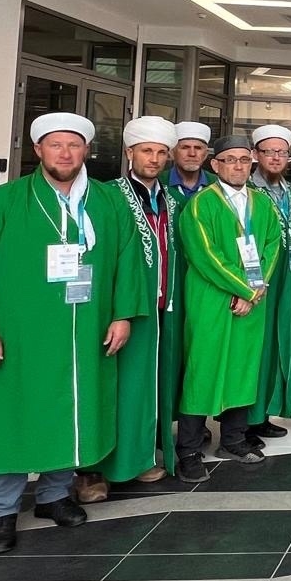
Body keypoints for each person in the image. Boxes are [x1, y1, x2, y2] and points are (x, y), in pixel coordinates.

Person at [0, 113, 144, 555]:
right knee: (8, 414)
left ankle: (54, 495)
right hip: (20, 333)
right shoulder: (4, 201)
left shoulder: (107, 202)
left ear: (86, 150)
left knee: (73, 409)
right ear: (38, 150)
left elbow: (128, 259)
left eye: (74, 145)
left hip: (86, 329)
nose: (65, 154)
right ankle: (1, 511)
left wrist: (123, 314)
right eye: (55, 145)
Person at [176, 135, 283, 481]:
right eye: (230, 160)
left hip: (252, 301)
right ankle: (189, 450)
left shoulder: (262, 203)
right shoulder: (200, 204)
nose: (238, 166)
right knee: (202, 370)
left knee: (242, 368)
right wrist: (245, 289)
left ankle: (234, 440)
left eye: (244, 159)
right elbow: (205, 255)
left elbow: (273, 245)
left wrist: (255, 290)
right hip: (212, 300)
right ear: (215, 164)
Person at [91, 116, 183, 500]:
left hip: (162, 310)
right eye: (147, 151)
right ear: (130, 152)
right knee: (112, 388)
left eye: (162, 152)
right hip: (121, 311)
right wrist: (119, 311)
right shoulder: (107, 195)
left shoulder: (171, 200)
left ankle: (140, 456)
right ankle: (94, 468)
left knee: (147, 388)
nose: (155, 159)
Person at [246, 123, 291, 446]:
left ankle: (263, 415)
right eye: (269, 152)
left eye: (282, 152)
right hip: (258, 280)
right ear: (256, 155)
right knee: (256, 351)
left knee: (276, 349)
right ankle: (245, 422)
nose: (276, 158)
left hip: (287, 278)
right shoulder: (248, 191)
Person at [164, 121, 216, 212]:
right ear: (172, 153)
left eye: (198, 148)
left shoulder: (217, 184)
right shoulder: (158, 182)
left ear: (205, 154)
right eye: (185, 147)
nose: (192, 154)